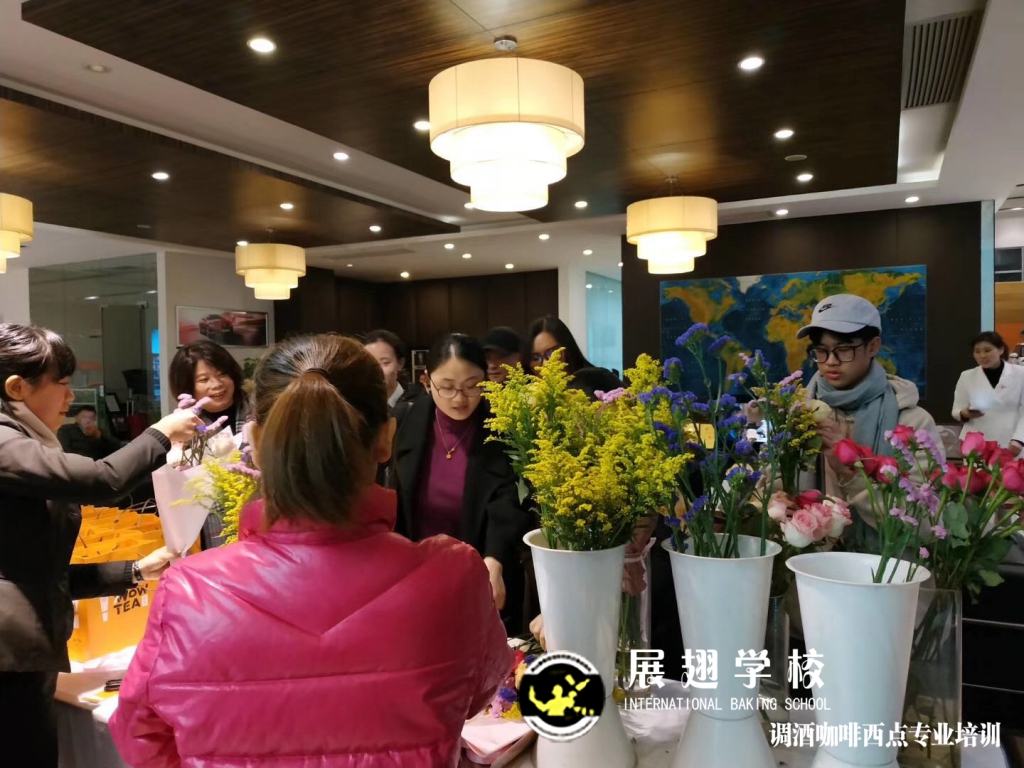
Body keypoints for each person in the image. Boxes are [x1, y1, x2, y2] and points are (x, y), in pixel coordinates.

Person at [109, 333, 512, 767]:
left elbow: (140, 737)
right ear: (386, 439)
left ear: (256, 443)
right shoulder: (453, 578)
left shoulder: (186, 592)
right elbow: (474, 694)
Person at [0, 324, 200, 767]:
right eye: (62, 383)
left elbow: (34, 570)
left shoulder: (23, 442)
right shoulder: (4, 441)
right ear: (17, 388)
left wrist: (134, 570)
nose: (71, 397)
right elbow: (101, 480)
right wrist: (160, 434)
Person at [391, 333, 532, 633]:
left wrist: (494, 559)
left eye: (472, 385)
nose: (459, 398)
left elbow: (508, 501)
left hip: (479, 577)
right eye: (447, 387)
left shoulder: (501, 426)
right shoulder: (404, 421)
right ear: (427, 381)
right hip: (413, 579)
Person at [799, 294, 943, 542]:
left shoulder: (912, 423)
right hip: (806, 559)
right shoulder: (798, 413)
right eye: (821, 351)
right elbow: (775, 486)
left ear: (873, 346)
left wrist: (852, 473)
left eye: (844, 349)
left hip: (880, 562)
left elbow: (927, 524)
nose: (831, 361)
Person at [952, 331, 1024, 453]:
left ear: (1000, 350)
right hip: (976, 443)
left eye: (987, 350)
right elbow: (956, 410)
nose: (982, 356)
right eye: (977, 351)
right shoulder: (967, 376)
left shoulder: (1020, 374)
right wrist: (965, 414)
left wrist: (1019, 440)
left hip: (1011, 442)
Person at [168, 340, 249, 435]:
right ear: (186, 386)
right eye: (204, 379)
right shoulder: (183, 425)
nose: (217, 384)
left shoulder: (258, 409)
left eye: (222, 374)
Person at [365, 329, 415, 410]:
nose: (377, 370)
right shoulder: (357, 407)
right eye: (370, 363)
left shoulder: (416, 405)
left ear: (400, 363)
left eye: (385, 362)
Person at [525, 316, 593, 376]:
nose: (545, 364)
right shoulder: (526, 385)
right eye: (536, 358)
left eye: (551, 353)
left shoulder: (593, 380)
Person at [57, 404, 123, 460]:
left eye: (91, 418)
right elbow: (64, 449)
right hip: (75, 462)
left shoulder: (98, 431)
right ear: (76, 418)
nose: (87, 420)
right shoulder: (66, 429)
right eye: (84, 417)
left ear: (94, 420)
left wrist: (99, 436)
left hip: (96, 464)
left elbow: (116, 447)